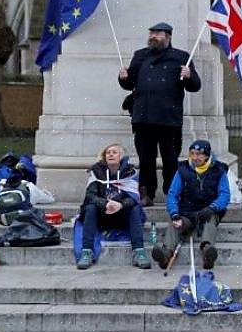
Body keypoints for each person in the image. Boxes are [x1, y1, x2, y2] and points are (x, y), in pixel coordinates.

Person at [118, 22, 202, 206]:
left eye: (157, 33)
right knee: (145, 160)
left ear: (168, 36)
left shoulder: (181, 57)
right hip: (143, 118)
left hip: (168, 119)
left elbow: (194, 86)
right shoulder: (140, 56)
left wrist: (189, 75)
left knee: (170, 160)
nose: (153, 36)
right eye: (151, 33)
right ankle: (146, 194)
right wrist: (123, 77)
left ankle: (172, 194)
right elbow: (130, 82)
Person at [151, 140, 229, 271]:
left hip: (208, 210)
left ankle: (207, 252)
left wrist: (213, 207)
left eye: (199, 154)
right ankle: (166, 254)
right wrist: (174, 212)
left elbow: (225, 195)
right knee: (176, 224)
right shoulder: (183, 169)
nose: (195, 158)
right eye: (192, 154)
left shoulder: (219, 170)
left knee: (209, 222)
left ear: (207, 155)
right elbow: (173, 194)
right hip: (187, 211)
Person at [76, 144, 150, 270]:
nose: (110, 154)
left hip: (122, 214)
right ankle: (87, 251)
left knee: (135, 208)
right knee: (90, 208)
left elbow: (134, 197)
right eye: (108, 152)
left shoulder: (130, 172)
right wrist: (106, 204)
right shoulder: (96, 171)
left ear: (121, 156)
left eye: (114, 152)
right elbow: (90, 195)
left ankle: (139, 251)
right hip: (103, 214)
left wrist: (120, 205)